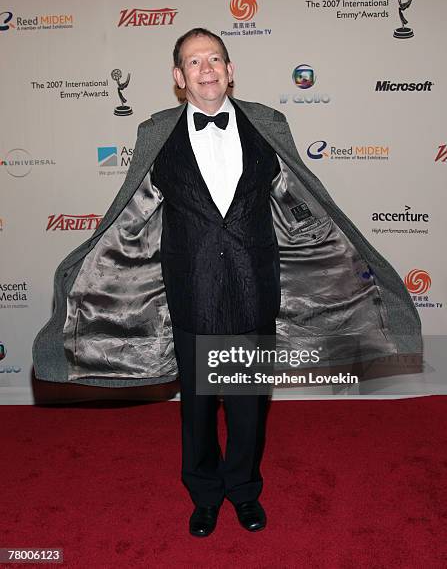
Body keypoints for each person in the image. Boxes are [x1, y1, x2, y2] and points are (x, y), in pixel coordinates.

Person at [32, 28, 423, 538]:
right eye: (194, 62)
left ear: (230, 69)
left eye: (215, 58)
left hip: (251, 287)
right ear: (179, 77)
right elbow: (134, 215)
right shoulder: (154, 133)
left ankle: (243, 492)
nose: (207, 68)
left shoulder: (267, 125)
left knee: (246, 410)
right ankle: (204, 496)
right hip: (191, 289)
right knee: (196, 411)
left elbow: (297, 203)